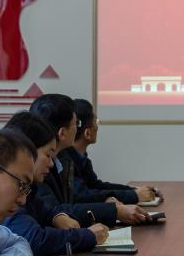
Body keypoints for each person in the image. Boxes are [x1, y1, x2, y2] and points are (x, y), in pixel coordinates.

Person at [29, 93, 147, 226]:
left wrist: (111, 201)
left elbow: (75, 199)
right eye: (76, 123)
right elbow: (56, 211)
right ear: (62, 133)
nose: (78, 128)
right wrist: (114, 210)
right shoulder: (38, 167)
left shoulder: (60, 160)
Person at [2, 111, 108, 254]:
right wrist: (87, 236)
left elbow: (44, 209)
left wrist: (56, 216)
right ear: (25, 152)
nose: (52, 163)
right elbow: (34, 239)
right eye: (48, 155)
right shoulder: (8, 191)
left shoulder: (28, 187)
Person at [68, 98, 157, 208]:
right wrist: (133, 195)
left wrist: (135, 190)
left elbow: (96, 185)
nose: (97, 126)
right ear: (87, 133)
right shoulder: (66, 161)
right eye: (96, 122)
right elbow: (83, 195)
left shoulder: (81, 158)